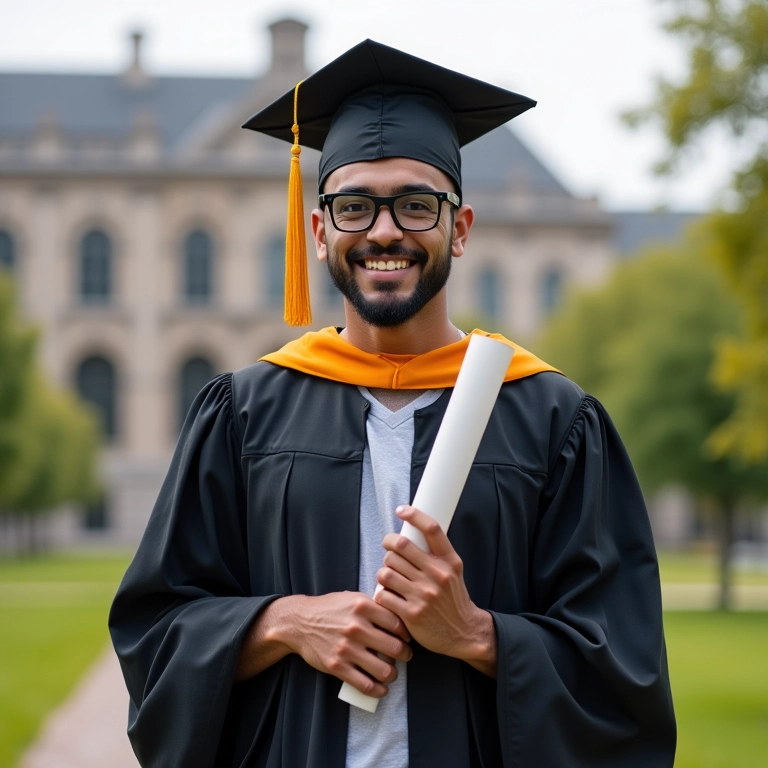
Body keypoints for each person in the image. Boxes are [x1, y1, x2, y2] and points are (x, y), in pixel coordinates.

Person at [109, 40, 676, 768]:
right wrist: (284, 622)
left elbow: (624, 674)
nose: (383, 231)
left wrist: (477, 634)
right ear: (320, 232)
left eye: (415, 205)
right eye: (354, 207)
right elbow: (155, 635)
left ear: (458, 229)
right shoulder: (245, 414)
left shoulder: (553, 422)